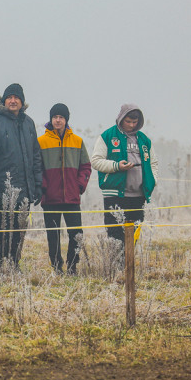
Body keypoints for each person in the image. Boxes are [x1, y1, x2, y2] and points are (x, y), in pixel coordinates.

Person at [0, 84, 42, 273]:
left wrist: (37, 184)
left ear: (22, 102)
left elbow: (36, 156)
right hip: (2, 187)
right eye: (9, 97)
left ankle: (14, 263)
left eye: (17, 98)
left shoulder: (28, 123)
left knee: (19, 228)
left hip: (24, 187)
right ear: (3, 101)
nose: (13, 101)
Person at [91, 104, 158, 248]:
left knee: (134, 236)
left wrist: (152, 181)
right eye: (128, 121)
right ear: (121, 119)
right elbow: (95, 161)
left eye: (134, 122)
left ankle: (128, 267)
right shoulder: (108, 136)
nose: (131, 125)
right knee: (115, 237)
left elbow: (153, 163)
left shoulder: (144, 140)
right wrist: (117, 166)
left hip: (138, 196)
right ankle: (116, 268)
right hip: (115, 195)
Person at [38, 103, 92, 275]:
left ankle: (72, 266)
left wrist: (79, 186)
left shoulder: (77, 141)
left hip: (71, 198)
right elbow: (37, 168)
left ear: (66, 119)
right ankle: (56, 266)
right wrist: (43, 187)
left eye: (61, 117)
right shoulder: (41, 142)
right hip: (50, 198)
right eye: (55, 117)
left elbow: (86, 166)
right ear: (51, 119)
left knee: (76, 234)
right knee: (53, 235)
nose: (58, 120)